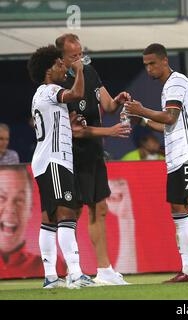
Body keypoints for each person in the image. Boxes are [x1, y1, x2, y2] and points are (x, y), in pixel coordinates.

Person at [125, 43, 188, 282]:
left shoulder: (177, 81)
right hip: (174, 158)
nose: (149, 68)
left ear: (164, 61)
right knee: (178, 211)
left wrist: (142, 109)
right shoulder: (168, 88)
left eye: (152, 63)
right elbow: (167, 124)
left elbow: (169, 116)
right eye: (145, 65)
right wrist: (140, 117)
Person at [55, 33, 131, 285]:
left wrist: (117, 101)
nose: (79, 59)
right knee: (72, 213)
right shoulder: (59, 85)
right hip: (73, 155)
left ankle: (104, 269)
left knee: (100, 208)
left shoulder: (90, 72)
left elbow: (107, 105)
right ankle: (72, 272)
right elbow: (75, 129)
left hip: (94, 153)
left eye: (80, 53)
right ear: (62, 59)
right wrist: (110, 132)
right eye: (73, 56)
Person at [27, 44, 97, 288]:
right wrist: (79, 71)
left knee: (49, 218)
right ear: (49, 69)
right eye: (59, 64)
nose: (63, 67)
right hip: (55, 160)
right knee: (67, 212)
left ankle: (50, 277)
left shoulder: (39, 94)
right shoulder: (50, 90)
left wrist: (65, 122)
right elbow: (76, 95)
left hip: (45, 160)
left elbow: (45, 124)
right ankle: (76, 274)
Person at [0, 166, 66, 279]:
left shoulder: (54, 265)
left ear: (30, 209)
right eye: (1, 197)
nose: (10, 209)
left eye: (19, 200)